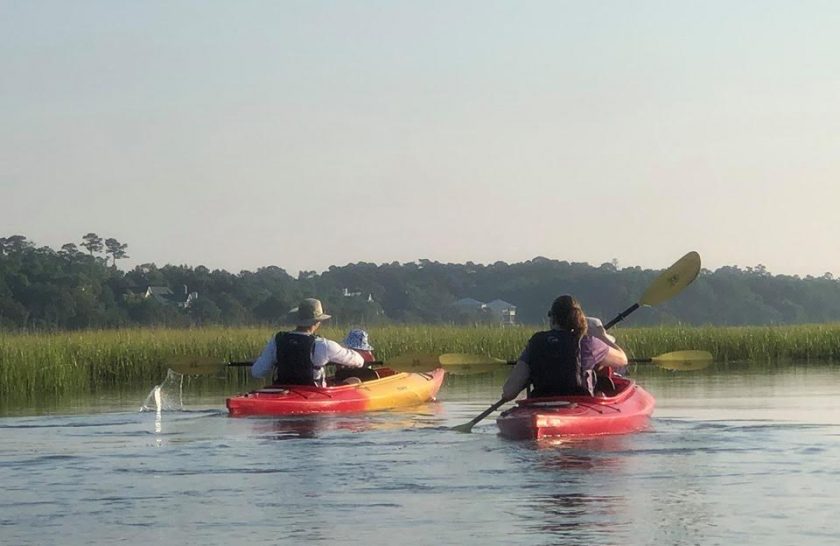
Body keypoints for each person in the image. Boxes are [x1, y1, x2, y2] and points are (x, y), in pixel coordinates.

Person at [501, 295, 628, 401]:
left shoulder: (536, 342)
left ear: (553, 318)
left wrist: (528, 377)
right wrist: (602, 335)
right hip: (579, 403)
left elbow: (509, 392)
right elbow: (623, 359)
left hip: (540, 405)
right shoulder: (589, 343)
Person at [250, 298, 364, 387]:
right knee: (355, 381)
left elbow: (257, 372)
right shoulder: (323, 345)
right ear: (317, 322)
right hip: (313, 393)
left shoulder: (277, 340)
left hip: (282, 391)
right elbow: (359, 361)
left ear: (297, 320)